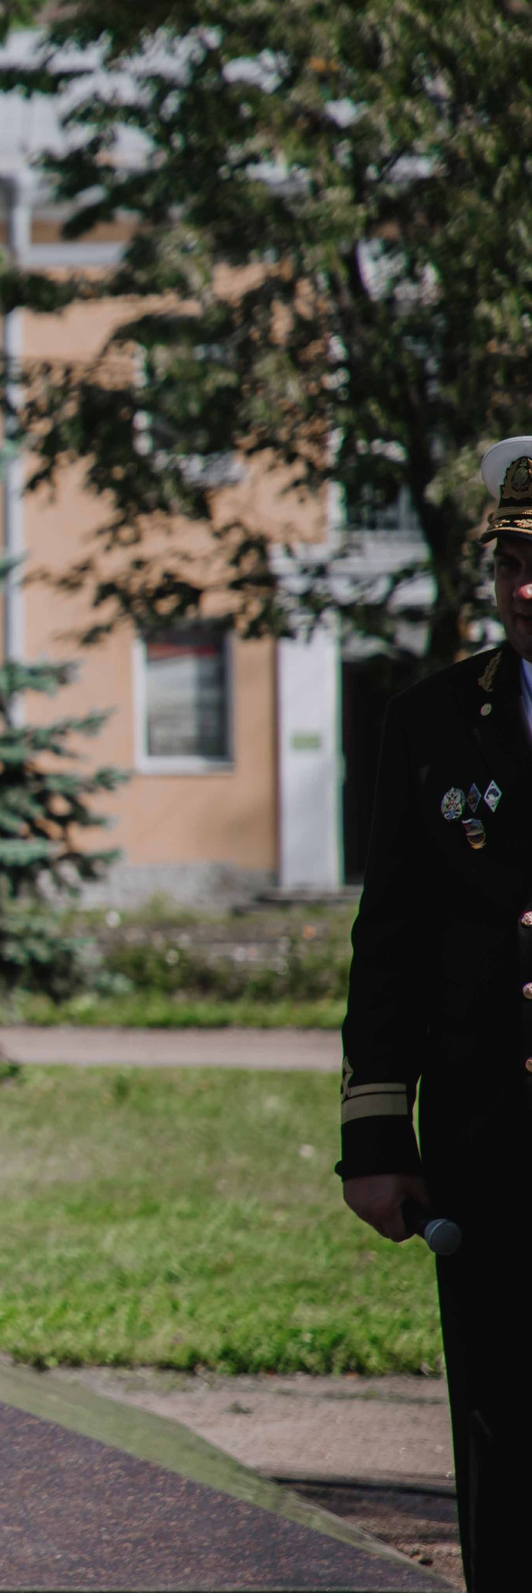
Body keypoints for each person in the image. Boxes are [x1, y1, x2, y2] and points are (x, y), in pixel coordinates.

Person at [340, 435, 532, 1584]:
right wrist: (375, 1138)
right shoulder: (426, 724)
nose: (524, 586)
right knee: (502, 1426)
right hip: (487, 1141)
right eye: (509, 559)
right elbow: (390, 945)